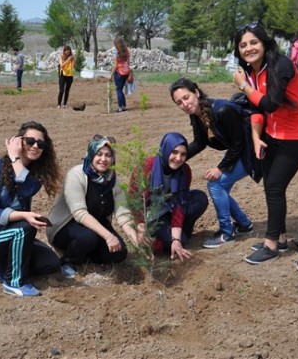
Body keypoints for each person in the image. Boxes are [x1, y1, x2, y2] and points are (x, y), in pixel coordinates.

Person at [233, 22, 298, 264]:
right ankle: (279, 238)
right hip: (273, 133)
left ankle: (271, 246)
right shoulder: (251, 70)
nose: (248, 48)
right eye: (243, 45)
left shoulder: (280, 65)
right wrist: (257, 137)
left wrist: (242, 86)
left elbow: (270, 103)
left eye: (253, 42)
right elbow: (256, 108)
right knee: (271, 184)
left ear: (264, 43)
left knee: (275, 187)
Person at [0, 121, 63, 297]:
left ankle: (8, 262)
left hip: (12, 231)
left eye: (41, 144)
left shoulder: (36, 174)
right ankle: (13, 283)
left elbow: (27, 188)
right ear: (19, 141)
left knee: (51, 263)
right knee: (26, 227)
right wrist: (14, 157)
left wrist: (17, 161)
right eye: (30, 141)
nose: (35, 146)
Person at [169, 78, 260, 249]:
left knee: (216, 185)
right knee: (220, 187)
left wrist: (220, 168)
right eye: (179, 103)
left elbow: (238, 144)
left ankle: (227, 233)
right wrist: (178, 158)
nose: (185, 104)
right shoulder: (197, 115)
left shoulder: (222, 110)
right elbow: (199, 142)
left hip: (251, 151)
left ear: (196, 92)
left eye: (186, 97)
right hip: (240, 149)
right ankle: (244, 224)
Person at [47, 134, 148, 278]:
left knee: (119, 254)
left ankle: (84, 255)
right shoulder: (76, 175)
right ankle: (68, 261)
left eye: (108, 155)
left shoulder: (114, 180)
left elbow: (123, 214)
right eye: (99, 154)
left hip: (95, 227)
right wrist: (108, 236)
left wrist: (135, 238)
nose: (103, 159)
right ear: (91, 154)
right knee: (89, 237)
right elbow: (79, 213)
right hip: (65, 226)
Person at [131, 132, 209, 261]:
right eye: (174, 152)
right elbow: (135, 201)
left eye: (183, 154)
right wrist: (140, 226)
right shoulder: (146, 168)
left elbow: (180, 204)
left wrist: (176, 239)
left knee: (199, 198)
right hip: (152, 216)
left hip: (170, 208)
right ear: (165, 150)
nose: (178, 158)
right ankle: (158, 242)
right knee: (176, 241)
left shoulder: (184, 171)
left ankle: (179, 236)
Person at [109, 37, 131, 113]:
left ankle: (120, 107)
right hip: (126, 72)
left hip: (119, 73)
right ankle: (124, 106)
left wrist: (111, 75)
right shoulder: (127, 52)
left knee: (118, 90)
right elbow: (128, 63)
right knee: (121, 90)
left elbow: (115, 65)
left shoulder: (116, 53)